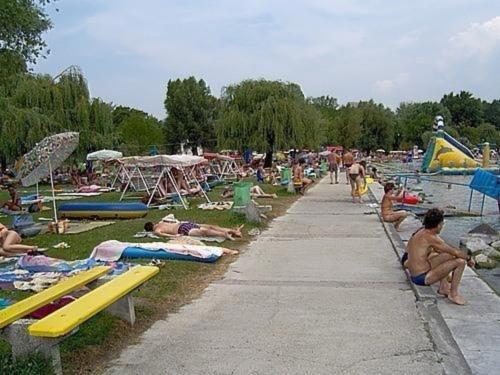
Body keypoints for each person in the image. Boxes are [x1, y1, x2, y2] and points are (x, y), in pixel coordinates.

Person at [405, 208, 474, 305]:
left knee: (448, 255)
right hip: (421, 277)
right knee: (460, 262)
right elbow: (455, 251)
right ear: (438, 225)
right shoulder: (431, 238)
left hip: (417, 271)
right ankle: (453, 294)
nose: (442, 227)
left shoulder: (421, 231)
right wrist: (469, 258)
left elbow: (448, 251)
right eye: (442, 224)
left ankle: (444, 287)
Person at [144, 219, 244, 242]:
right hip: (184, 224)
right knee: (209, 227)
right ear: (153, 224)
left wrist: (174, 236)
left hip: (182, 229)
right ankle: (233, 231)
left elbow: (161, 234)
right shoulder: (161, 223)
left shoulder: (157, 229)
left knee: (204, 232)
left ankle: (223, 234)